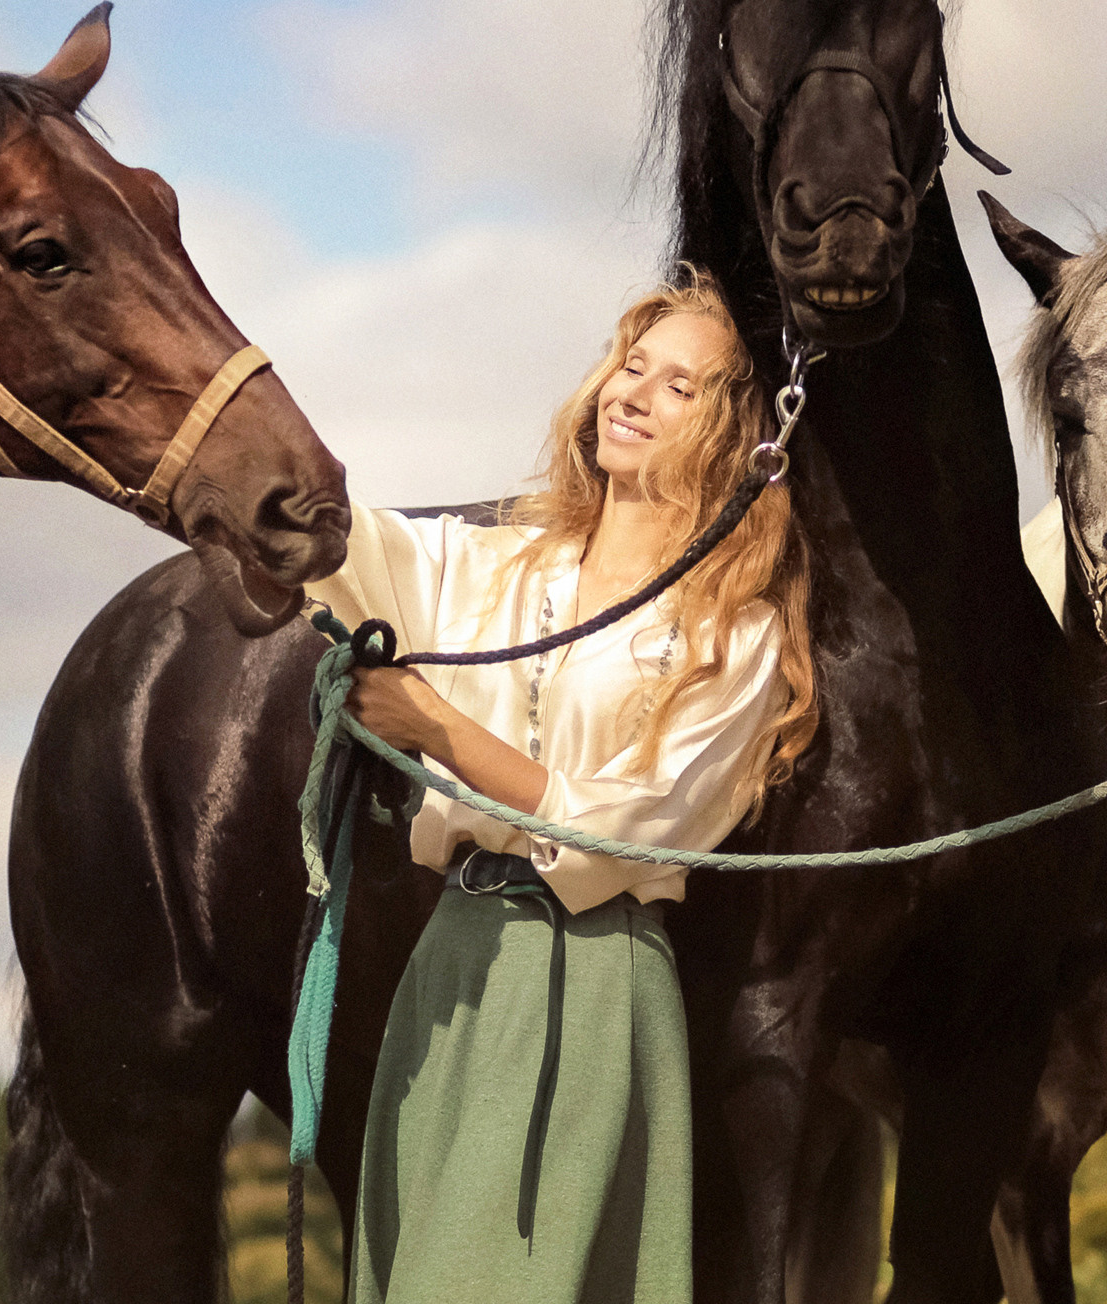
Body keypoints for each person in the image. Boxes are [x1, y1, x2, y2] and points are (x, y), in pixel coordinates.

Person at [307, 269, 817, 1304]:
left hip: (586, 980)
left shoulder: (737, 636)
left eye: (681, 387)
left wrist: (437, 727)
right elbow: (328, 533)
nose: (632, 393)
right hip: (451, 961)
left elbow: (633, 830)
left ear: (737, 435)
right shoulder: (496, 567)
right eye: (631, 367)